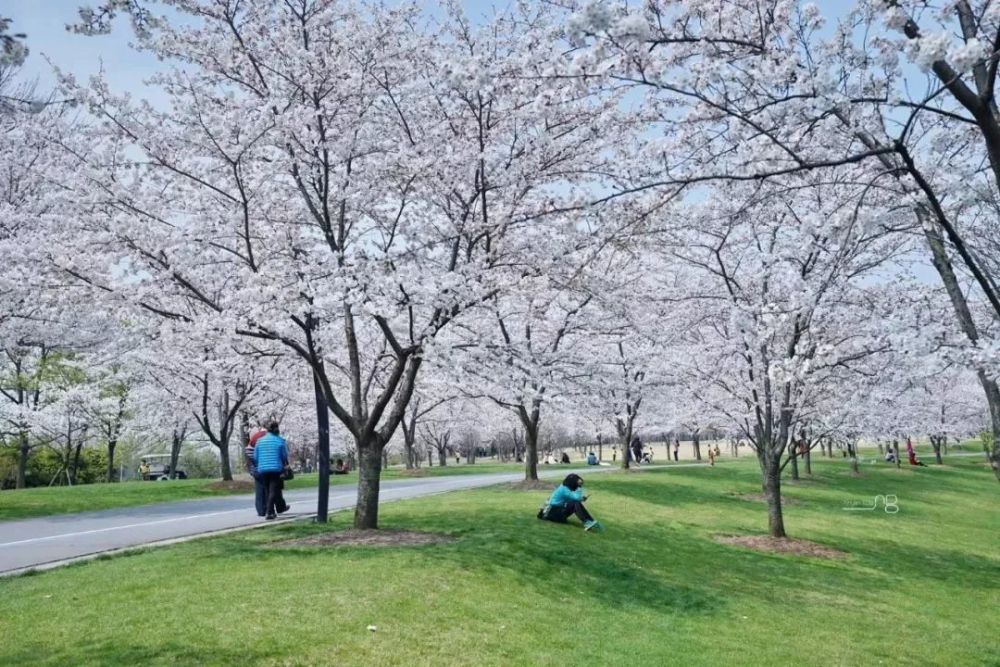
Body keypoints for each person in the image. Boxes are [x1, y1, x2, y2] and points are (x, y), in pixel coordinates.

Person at [537, 474, 602, 531]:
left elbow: (573, 498)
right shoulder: (564, 489)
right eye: (577, 484)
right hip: (551, 513)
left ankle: (590, 521)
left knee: (574, 502)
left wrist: (581, 498)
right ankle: (587, 522)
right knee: (574, 503)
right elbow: (576, 498)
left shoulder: (564, 487)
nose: (578, 485)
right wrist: (579, 488)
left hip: (555, 511)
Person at [253, 421, 291, 520]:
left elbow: (255, 456)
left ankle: (271, 512)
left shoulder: (259, 441)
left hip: (262, 469)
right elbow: (284, 456)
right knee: (273, 490)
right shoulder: (280, 440)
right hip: (275, 468)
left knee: (267, 490)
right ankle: (269, 512)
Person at [245, 422, 269, 517]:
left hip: (256, 469)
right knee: (268, 489)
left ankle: (260, 510)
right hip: (266, 467)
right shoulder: (267, 437)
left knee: (259, 490)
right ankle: (268, 509)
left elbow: (249, 453)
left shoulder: (253, 441)